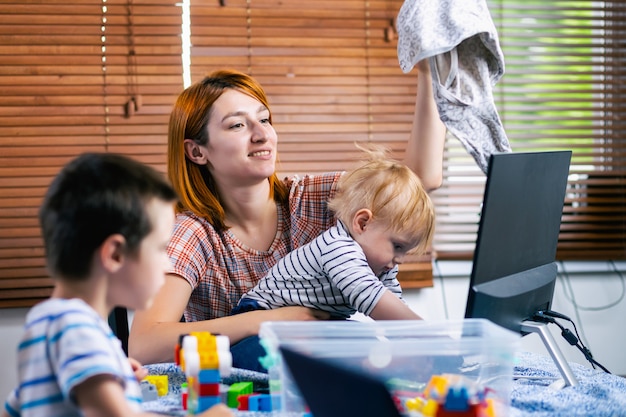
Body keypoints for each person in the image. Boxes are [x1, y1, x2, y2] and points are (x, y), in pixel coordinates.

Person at [128, 60, 446, 372]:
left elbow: (418, 180)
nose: (262, 135)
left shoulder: (315, 197)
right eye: (238, 125)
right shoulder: (193, 232)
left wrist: (430, 70)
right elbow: (144, 345)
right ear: (198, 151)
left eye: (265, 120)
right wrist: (269, 320)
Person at [2, 153, 232, 417]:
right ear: (115, 255)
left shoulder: (46, 323)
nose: (168, 265)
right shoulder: (77, 328)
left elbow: (15, 410)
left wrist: (110, 376)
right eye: (160, 249)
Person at [232, 146, 434, 320]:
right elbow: (372, 298)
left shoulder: (382, 266)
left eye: (405, 251)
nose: (400, 259)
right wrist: (427, 338)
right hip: (261, 314)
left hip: (315, 322)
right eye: (397, 246)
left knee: (364, 345)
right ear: (363, 223)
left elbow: (395, 309)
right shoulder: (337, 247)